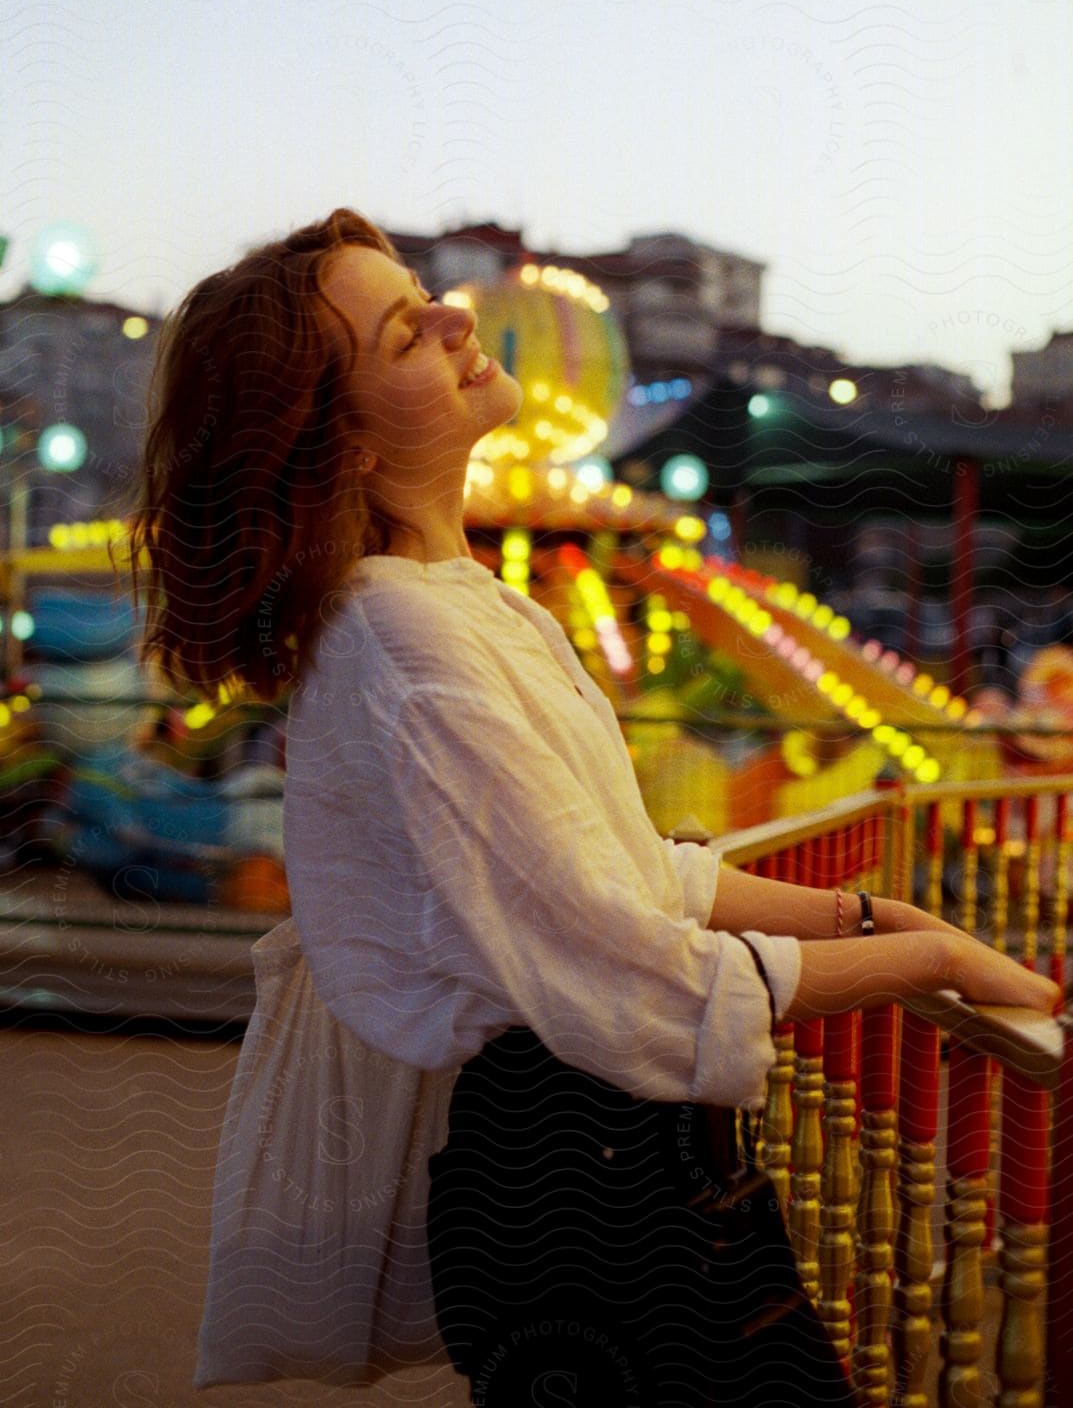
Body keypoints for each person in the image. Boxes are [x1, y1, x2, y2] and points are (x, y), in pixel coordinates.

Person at [129, 208, 1062, 1406]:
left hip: (605, 1166)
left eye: (429, 297)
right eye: (408, 334)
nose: (458, 319)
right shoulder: (409, 642)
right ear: (343, 448)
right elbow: (640, 969)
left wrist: (864, 914)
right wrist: (921, 957)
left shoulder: (457, 600)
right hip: (584, 1185)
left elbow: (630, 871)